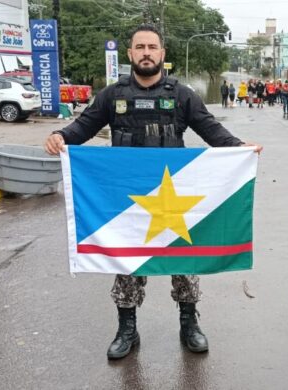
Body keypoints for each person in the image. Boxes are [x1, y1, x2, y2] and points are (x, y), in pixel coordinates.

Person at [44, 23, 262, 360]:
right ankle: (127, 329)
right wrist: (60, 135)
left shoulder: (183, 95)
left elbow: (211, 130)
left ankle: (189, 324)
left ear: (162, 53)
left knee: (185, 260)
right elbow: (82, 127)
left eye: (152, 47)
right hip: (127, 201)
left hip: (174, 194)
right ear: (130, 53)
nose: (146, 53)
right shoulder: (112, 95)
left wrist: (239, 148)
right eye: (140, 47)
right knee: (129, 264)